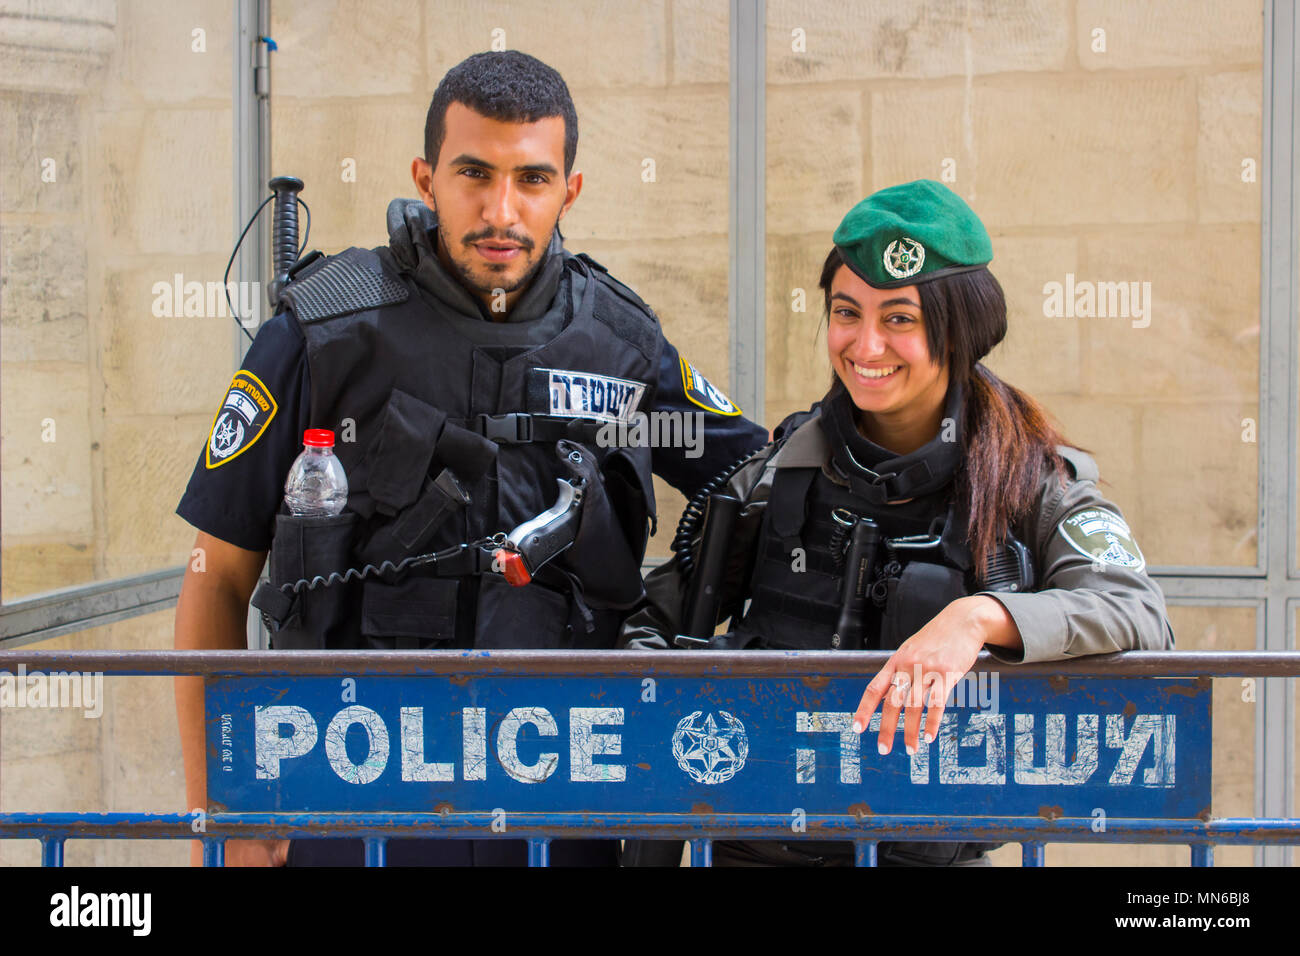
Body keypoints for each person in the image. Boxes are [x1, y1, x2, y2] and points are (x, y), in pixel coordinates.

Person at [173, 50, 768, 868]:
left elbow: (769, 478)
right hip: (349, 790)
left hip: (564, 800)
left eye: (531, 179)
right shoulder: (322, 335)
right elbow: (216, 577)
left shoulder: (623, 346)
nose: (501, 209)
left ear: (571, 189)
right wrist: (225, 809)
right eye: (473, 174)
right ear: (425, 177)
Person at [621, 179, 1176, 867]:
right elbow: (651, 625)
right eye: (847, 313)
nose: (865, 344)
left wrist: (977, 620)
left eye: (900, 319)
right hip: (755, 846)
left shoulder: (1026, 481)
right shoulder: (779, 472)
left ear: (961, 332)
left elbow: (1135, 610)